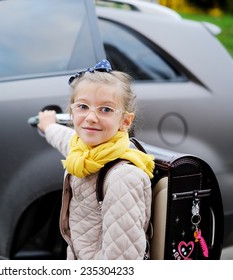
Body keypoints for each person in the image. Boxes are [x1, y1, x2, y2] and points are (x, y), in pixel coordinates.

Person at [37, 59, 155, 260]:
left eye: (106, 109)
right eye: (83, 106)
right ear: (72, 111)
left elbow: (122, 261)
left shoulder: (123, 178)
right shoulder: (83, 151)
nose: (91, 117)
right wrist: (48, 126)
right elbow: (66, 139)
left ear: (125, 121)